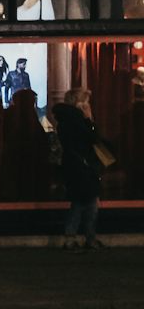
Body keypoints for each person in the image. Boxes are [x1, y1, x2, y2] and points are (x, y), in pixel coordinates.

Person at [53, 88, 107, 251]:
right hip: (82, 166)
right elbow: (91, 139)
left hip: (78, 166)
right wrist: (89, 120)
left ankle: (81, 237)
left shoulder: (66, 120)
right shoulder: (75, 121)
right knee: (83, 203)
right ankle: (80, 237)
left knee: (86, 202)